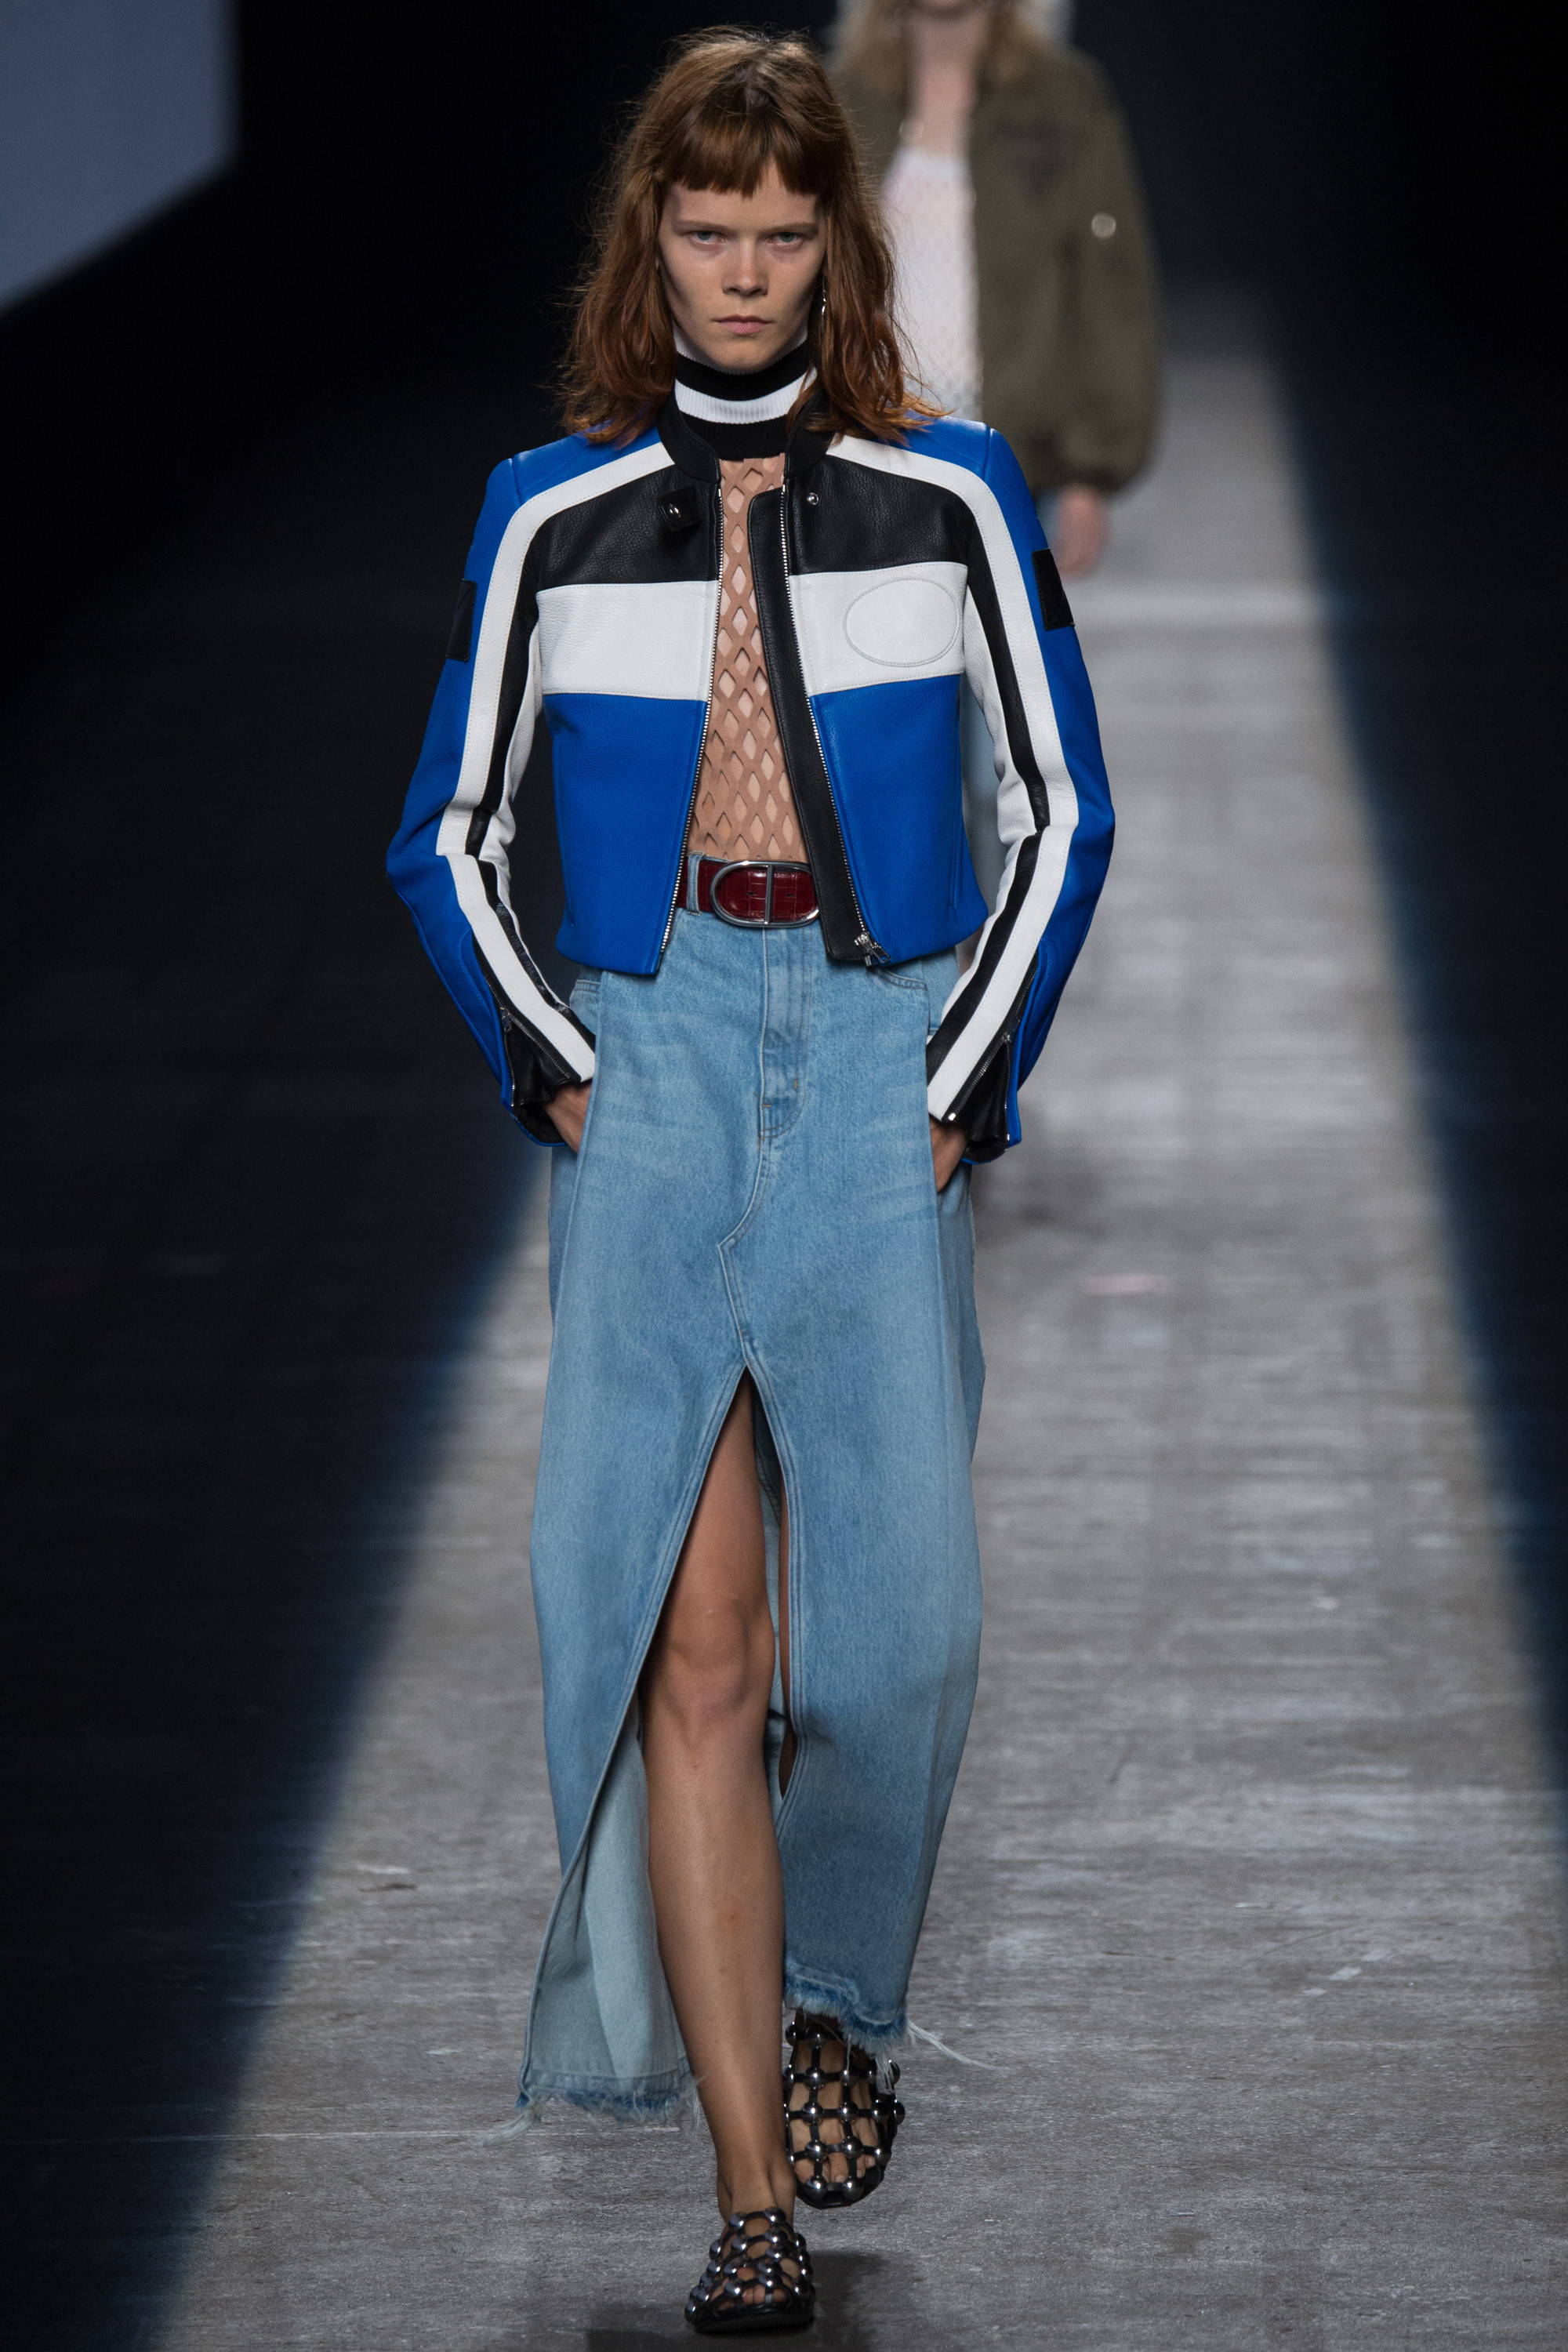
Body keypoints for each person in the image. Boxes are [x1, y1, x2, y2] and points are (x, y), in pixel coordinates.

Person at [387, 28, 1112, 2333]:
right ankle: (746, 2190)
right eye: (706, 231)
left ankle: (834, 2007)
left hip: (879, 1039)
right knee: (683, 1644)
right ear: (654, 239)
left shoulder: (948, 489)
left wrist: (959, 1083)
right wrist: (563, 1062)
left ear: (831, 247)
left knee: (899, 1639)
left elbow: (1064, 803)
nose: (739, 271)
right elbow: (442, 825)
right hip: (661, 1038)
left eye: (781, 234)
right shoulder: (549, 507)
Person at [832, 0, 1157, 901]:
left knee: (1003, 751)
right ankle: (918, 954)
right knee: (895, 740)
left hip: (1006, 469)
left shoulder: (1062, 99)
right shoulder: (844, 98)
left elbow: (1110, 281)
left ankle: (989, 960)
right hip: (873, 463)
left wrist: (1091, 467)